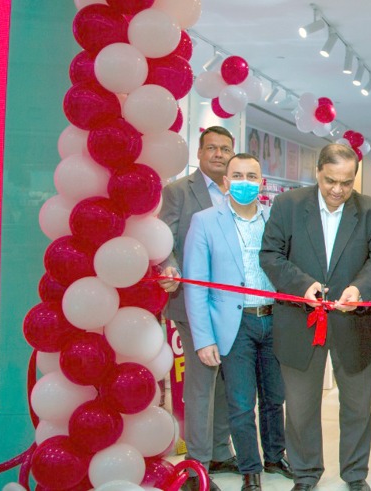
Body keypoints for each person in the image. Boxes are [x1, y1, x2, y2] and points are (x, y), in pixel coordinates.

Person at [259, 143, 371, 491]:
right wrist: (302, 285)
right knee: (300, 407)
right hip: (299, 322)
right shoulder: (288, 205)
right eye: (331, 180)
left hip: (355, 324)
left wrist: (360, 289)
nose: (338, 190)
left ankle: (355, 474)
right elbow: (270, 254)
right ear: (317, 172)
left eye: (346, 182)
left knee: (357, 408)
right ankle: (305, 473)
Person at [183, 153, 291, 491]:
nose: (245, 182)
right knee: (242, 403)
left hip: (273, 319)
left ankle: (275, 457)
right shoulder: (205, 221)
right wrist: (204, 339)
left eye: (252, 176)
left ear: (261, 182)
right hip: (234, 325)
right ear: (227, 182)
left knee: (274, 398)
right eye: (238, 176)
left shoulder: (274, 219)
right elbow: (195, 285)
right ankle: (250, 469)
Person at [159, 125, 241, 490]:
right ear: (200, 153)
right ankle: (197, 467)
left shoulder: (238, 191)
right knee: (201, 385)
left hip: (232, 307)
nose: (219, 154)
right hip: (192, 304)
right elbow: (164, 240)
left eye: (225, 149)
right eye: (212, 148)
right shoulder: (179, 191)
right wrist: (169, 268)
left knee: (224, 382)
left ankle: (221, 451)